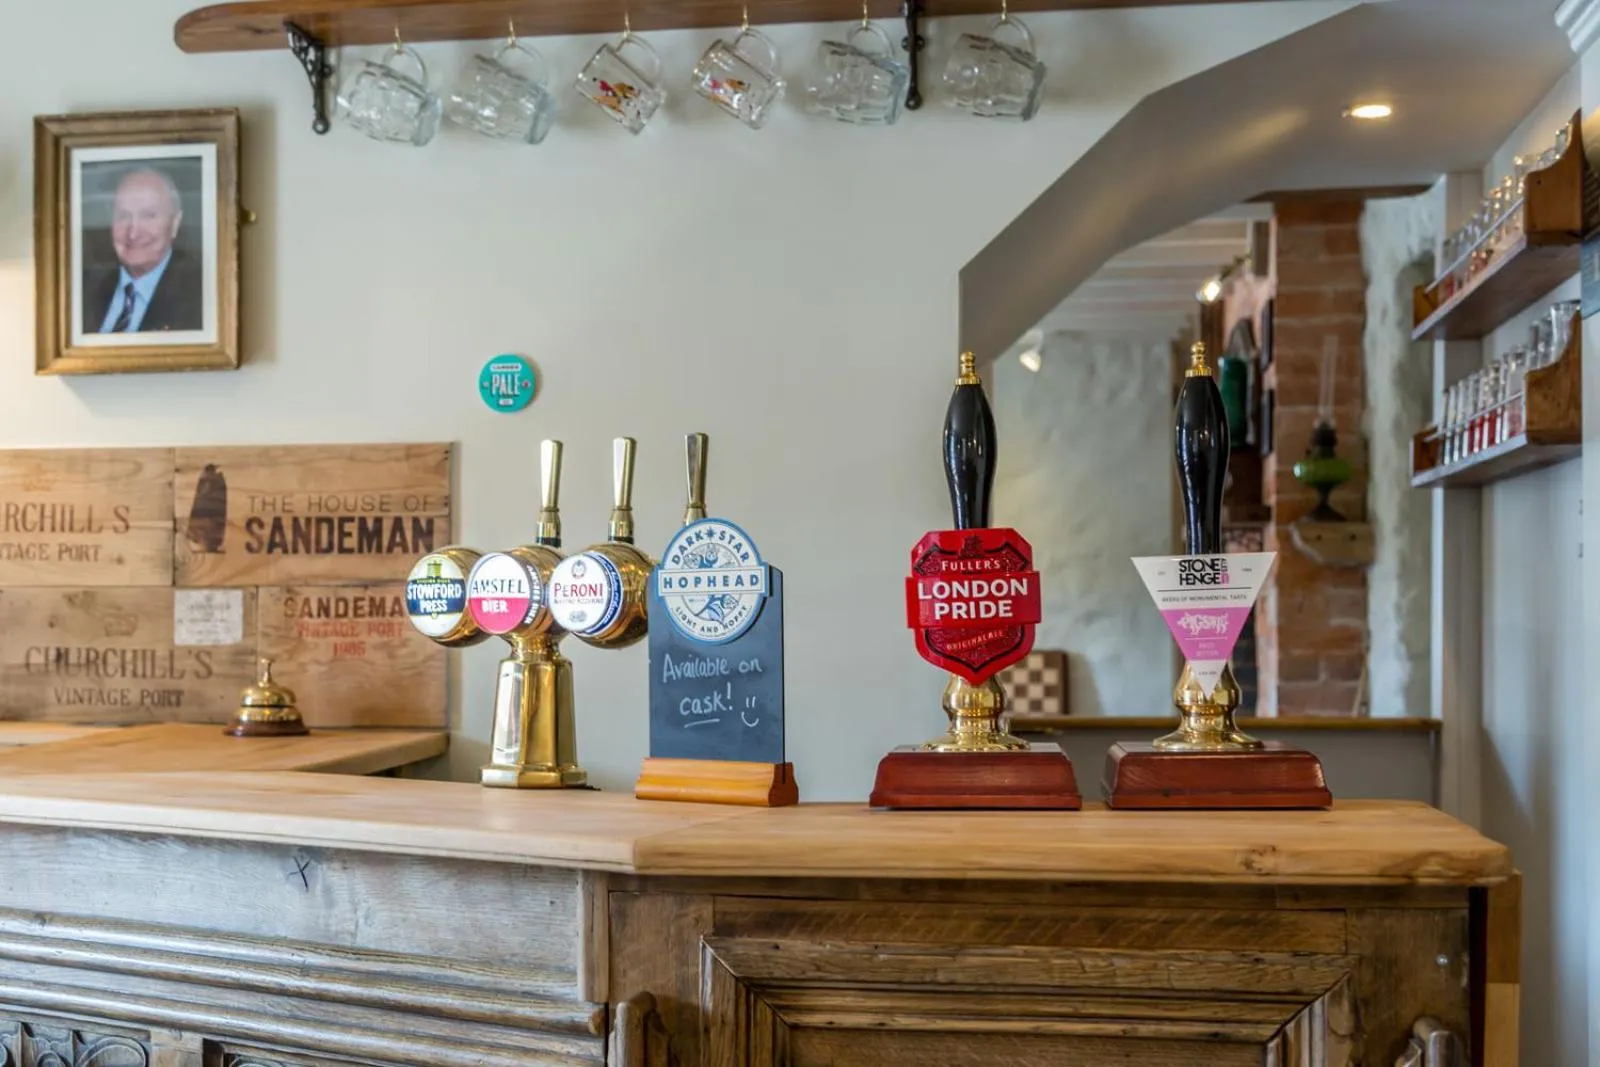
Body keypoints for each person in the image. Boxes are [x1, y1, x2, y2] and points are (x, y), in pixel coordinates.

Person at [82, 167, 203, 335]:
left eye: (149, 215)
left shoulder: (201, 298)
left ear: (175, 223)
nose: (133, 233)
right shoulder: (83, 290)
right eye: (123, 216)